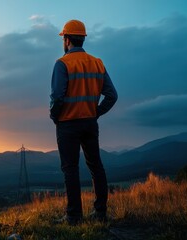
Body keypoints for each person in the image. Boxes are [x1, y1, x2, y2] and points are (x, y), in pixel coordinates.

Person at [49, 19, 118, 225]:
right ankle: (100, 213)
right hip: (90, 123)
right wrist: (95, 113)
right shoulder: (97, 63)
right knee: (96, 166)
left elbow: (57, 97)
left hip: (68, 124)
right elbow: (112, 95)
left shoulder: (62, 64)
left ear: (67, 39)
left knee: (70, 169)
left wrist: (55, 116)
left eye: (64, 38)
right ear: (83, 39)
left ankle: (74, 216)